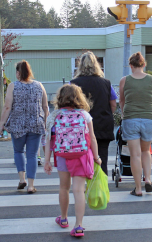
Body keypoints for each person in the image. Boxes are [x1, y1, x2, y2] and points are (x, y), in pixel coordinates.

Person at [44, 84, 101, 237]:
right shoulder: (84, 115)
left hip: (62, 155)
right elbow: (93, 138)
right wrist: (96, 157)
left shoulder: (54, 116)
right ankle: (79, 226)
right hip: (81, 156)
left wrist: (47, 160)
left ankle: (63, 219)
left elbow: (49, 139)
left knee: (64, 187)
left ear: (60, 98)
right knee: (78, 190)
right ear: (79, 97)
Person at [0, 60, 49, 193]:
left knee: (19, 151)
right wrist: (45, 123)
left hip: (17, 124)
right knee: (32, 154)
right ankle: (31, 185)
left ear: (17, 73)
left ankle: (22, 179)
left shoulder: (13, 86)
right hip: (36, 124)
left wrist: (2, 123)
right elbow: (45, 107)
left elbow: (7, 106)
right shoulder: (39, 85)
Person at [71, 51, 117, 176]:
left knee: (82, 159)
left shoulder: (74, 83)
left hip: (81, 127)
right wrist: (106, 113)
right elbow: (113, 104)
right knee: (102, 158)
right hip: (103, 124)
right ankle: (101, 189)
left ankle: (84, 187)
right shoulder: (106, 83)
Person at [119, 52, 152, 196]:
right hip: (149, 118)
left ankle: (138, 188)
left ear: (131, 65)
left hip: (131, 118)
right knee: (146, 151)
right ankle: (147, 179)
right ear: (143, 64)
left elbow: (122, 100)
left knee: (134, 155)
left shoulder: (125, 80)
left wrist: (124, 113)